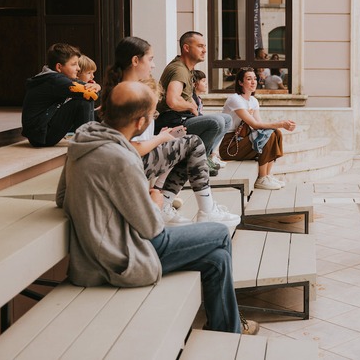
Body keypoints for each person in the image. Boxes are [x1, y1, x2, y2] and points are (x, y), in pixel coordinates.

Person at [55, 81, 258, 334]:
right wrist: (154, 201)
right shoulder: (121, 159)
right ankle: (230, 330)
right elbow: (152, 228)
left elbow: (61, 198)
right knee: (218, 234)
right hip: (119, 258)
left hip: (95, 253)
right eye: (153, 115)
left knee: (217, 260)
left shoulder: (83, 140)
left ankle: (227, 328)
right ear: (140, 122)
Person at [102, 36, 240, 229]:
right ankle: (204, 209)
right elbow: (130, 148)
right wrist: (161, 138)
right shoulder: (129, 93)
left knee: (188, 145)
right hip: (129, 164)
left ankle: (168, 203)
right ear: (135, 61)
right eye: (150, 59)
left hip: (133, 159)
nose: (153, 65)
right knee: (193, 143)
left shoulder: (130, 89)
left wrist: (163, 137)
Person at [155, 31, 232, 176]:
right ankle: (198, 161)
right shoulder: (179, 70)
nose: (204, 50)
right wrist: (190, 106)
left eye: (205, 46)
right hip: (171, 122)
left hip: (182, 119)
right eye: (200, 46)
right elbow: (172, 101)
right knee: (216, 122)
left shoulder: (187, 69)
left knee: (226, 119)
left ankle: (205, 157)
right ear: (186, 48)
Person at [220, 67, 296, 190]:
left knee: (275, 133)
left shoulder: (253, 100)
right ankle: (261, 178)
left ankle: (267, 175)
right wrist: (281, 123)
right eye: (249, 79)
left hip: (244, 139)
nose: (253, 82)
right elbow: (255, 125)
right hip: (231, 145)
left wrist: (278, 127)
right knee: (269, 134)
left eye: (255, 78)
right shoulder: (235, 99)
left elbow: (259, 123)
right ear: (240, 82)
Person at [22, 43, 100, 147]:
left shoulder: (51, 77)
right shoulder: (55, 81)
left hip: (39, 134)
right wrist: (96, 88)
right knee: (83, 100)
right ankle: (87, 141)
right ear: (59, 67)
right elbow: (89, 94)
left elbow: (88, 88)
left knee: (87, 101)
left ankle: (88, 137)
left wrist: (97, 87)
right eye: (74, 64)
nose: (78, 68)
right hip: (43, 136)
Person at [192, 69, 226, 168]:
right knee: (216, 123)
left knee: (223, 121)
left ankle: (211, 155)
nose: (206, 84)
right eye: (203, 81)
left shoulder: (199, 99)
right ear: (194, 84)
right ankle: (206, 157)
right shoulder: (192, 98)